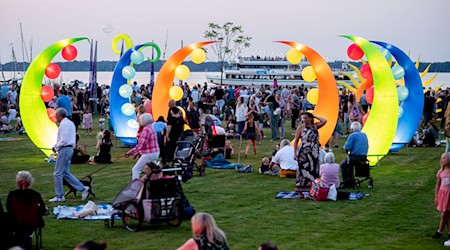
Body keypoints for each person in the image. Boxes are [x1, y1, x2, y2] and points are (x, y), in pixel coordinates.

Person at [49, 108, 90, 202]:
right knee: (65, 172)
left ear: (60, 116)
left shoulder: (63, 125)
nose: (55, 117)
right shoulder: (70, 123)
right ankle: (83, 188)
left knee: (57, 173)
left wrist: (55, 147)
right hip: (70, 149)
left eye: (56, 115)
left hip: (64, 148)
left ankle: (59, 196)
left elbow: (63, 140)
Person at [6, 171, 48, 249]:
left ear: (17, 182)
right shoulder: (36, 195)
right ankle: (27, 238)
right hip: (33, 223)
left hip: (15, 223)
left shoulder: (12, 195)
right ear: (30, 182)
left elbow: (9, 209)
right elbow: (43, 210)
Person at [293, 112, 327, 197]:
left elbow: (324, 120)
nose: (304, 120)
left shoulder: (315, 126)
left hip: (314, 151)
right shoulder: (300, 128)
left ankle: (312, 189)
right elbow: (296, 140)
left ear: (310, 118)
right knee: (302, 170)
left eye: (306, 118)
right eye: (303, 118)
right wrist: (295, 153)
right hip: (304, 151)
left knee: (313, 170)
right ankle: (300, 190)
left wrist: (314, 115)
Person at [126, 113, 160, 180]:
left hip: (149, 154)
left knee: (136, 169)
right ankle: (153, 182)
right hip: (155, 152)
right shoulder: (151, 128)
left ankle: (135, 186)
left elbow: (141, 145)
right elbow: (145, 145)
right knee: (153, 170)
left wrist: (131, 152)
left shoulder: (146, 130)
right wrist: (136, 153)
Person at [340, 122, 369, 188]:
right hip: (364, 157)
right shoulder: (364, 135)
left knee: (343, 165)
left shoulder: (352, 135)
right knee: (348, 163)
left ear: (352, 129)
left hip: (355, 157)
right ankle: (350, 179)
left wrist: (344, 149)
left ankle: (347, 181)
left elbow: (347, 147)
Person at [434, 153, 450, 246]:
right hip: (443, 195)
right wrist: (436, 196)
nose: (442, 160)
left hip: (449, 195)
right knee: (445, 214)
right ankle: (443, 231)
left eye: (444, 158)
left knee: (446, 214)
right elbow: (438, 185)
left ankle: (440, 231)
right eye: (441, 158)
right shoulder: (441, 172)